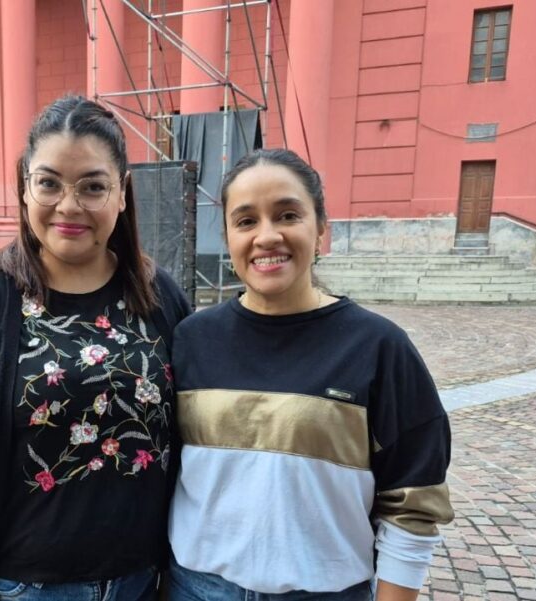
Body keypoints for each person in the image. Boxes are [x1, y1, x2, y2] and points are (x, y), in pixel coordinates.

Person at [0, 95, 193, 601]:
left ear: (122, 194)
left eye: (93, 186)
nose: (69, 205)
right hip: (25, 587)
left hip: (143, 583)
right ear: (25, 187)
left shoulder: (158, 295)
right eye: (49, 183)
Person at [167, 149, 453, 601]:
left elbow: (413, 502)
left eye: (287, 214)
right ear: (227, 236)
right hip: (198, 589)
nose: (267, 236)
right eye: (246, 221)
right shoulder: (191, 341)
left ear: (322, 228)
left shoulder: (379, 347)